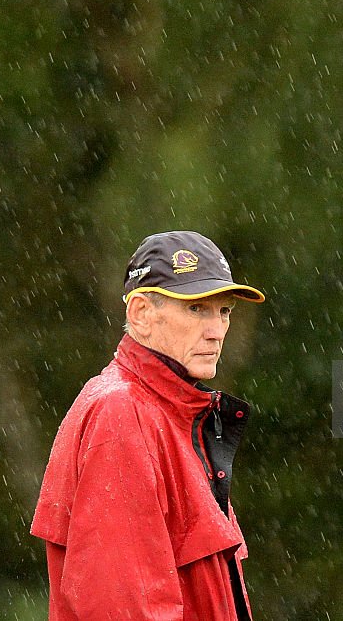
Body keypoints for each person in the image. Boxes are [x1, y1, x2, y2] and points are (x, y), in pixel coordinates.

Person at [30, 230, 265, 620]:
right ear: (140, 313)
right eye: (196, 309)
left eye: (223, 311)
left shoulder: (170, 413)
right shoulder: (122, 412)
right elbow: (119, 606)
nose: (217, 330)